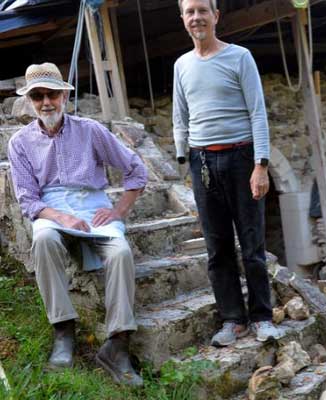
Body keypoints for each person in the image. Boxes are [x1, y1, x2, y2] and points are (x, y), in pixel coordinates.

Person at [8, 62, 147, 386]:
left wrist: (119, 209)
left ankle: (118, 344)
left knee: (120, 252)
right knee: (44, 240)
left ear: (64, 96)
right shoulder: (20, 142)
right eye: (38, 96)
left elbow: (135, 168)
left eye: (52, 94)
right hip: (51, 209)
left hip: (93, 205)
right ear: (29, 101)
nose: (46, 102)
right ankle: (64, 331)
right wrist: (61, 216)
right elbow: (28, 200)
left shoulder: (90, 130)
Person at [173, 0, 279, 347]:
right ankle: (233, 320)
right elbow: (180, 115)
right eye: (190, 12)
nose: (196, 17)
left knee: (252, 244)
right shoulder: (182, 65)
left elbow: (257, 112)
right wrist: (182, 156)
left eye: (202, 10)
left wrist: (261, 164)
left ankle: (262, 317)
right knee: (217, 247)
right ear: (183, 19)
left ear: (216, 16)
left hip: (241, 157)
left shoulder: (239, 57)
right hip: (202, 161)